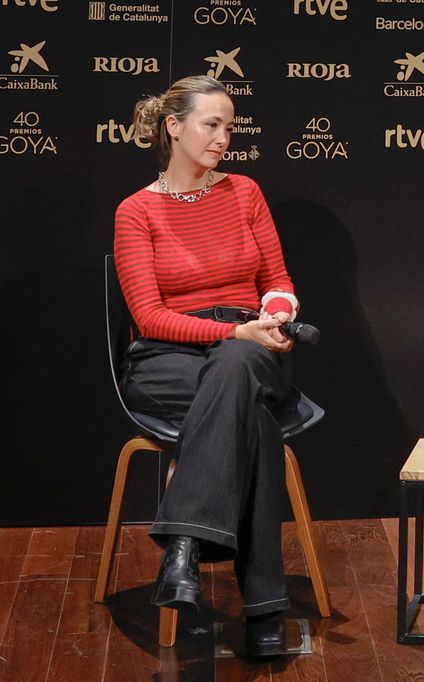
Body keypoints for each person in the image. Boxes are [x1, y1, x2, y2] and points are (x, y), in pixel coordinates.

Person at [114, 75, 299, 655]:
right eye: (211, 124)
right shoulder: (136, 211)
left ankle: (185, 547)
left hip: (250, 346)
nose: (224, 138)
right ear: (174, 127)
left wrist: (271, 316)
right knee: (250, 415)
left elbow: (279, 281)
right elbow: (148, 317)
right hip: (168, 358)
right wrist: (231, 331)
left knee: (236, 367)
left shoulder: (244, 192)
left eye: (229, 126)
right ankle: (265, 609)